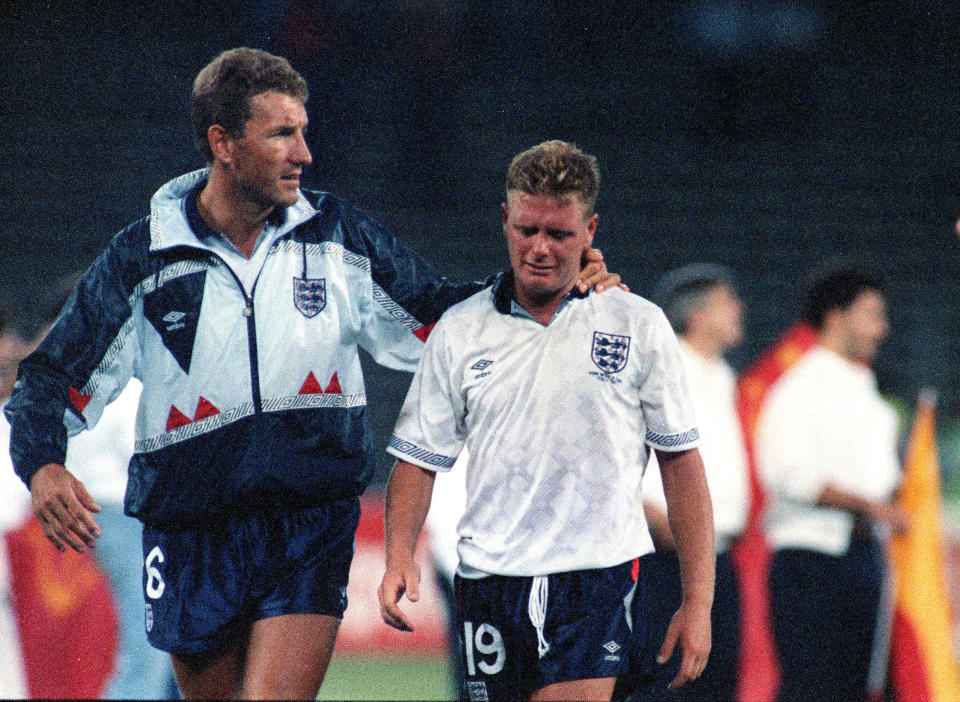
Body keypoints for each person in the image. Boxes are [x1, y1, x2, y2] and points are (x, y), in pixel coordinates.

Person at [4, 48, 618, 700]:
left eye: (304, 131)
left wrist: (542, 294)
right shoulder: (141, 260)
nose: (304, 152)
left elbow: (441, 319)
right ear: (224, 144)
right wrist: (42, 465)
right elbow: (48, 380)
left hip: (307, 522)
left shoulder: (338, 238)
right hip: (188, 531)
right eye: (281, 134)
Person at [378, 140, 715, 702]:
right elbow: (417, 459)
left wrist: (696, 601)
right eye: (527, 229)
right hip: (488, 581)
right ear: (505, 220)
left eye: (559, 234)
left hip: (595, 578)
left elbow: (681, 465)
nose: (539, 248)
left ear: (590, 231)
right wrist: (397, 555)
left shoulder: (637, 324)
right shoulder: (460, 330)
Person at [754, 260, 907, 702]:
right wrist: (873, 507)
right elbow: (788, 477)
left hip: (863, 556)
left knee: (860, 689)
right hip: (812, 563)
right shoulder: (797, 388)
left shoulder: (867, 390)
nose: (882, 328)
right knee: (812, 689)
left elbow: (882, 478)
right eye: (873, 314)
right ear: (837, 317)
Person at [620, 263, 750, 701]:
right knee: (667, 682)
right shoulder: (660, 367)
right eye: (727, 302)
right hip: (665, 558)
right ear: (697, 316)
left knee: (716, 683)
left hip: (718, 557)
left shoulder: (725, 377)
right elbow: (619, 453)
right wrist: (656, 517)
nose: (739, 309)